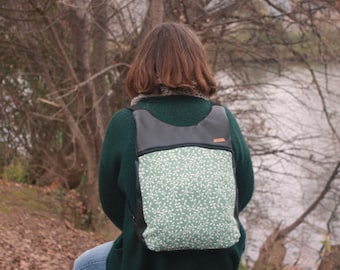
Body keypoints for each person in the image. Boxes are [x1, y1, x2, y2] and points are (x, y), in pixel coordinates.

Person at [73, 22, 254, 270]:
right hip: (219, 260)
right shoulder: (223, 119)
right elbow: (242, 191)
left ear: (144, 65)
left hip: (146, 260)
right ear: (198, 63)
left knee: (84, 264)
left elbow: (111, 202)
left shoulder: (127, 122)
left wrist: (150, 227)